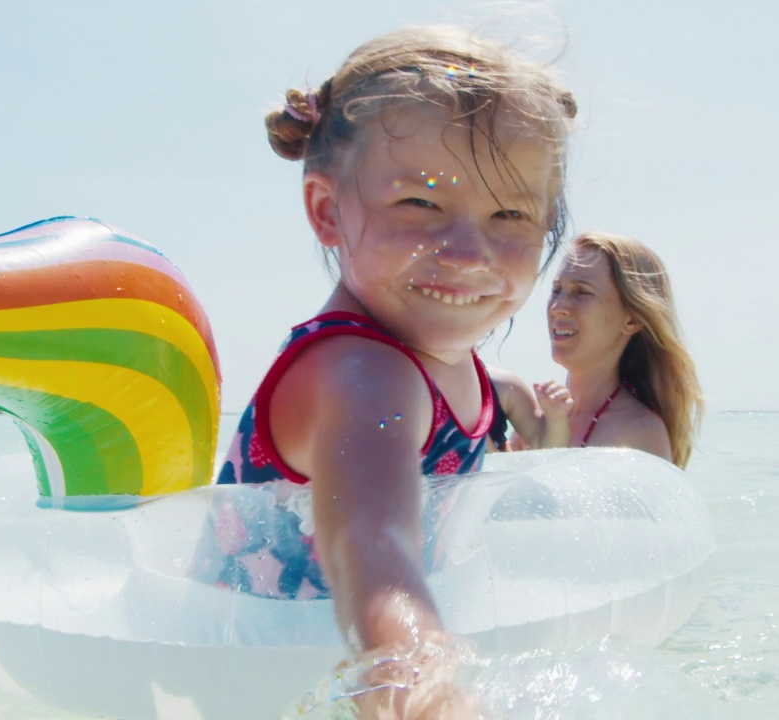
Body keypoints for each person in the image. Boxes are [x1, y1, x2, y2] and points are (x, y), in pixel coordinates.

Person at [213, 25, 577, 717]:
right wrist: (428, 684)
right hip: (258, 674)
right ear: (327, 210)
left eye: (509, 214)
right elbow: (370, 542)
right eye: (422, 204)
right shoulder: (361, 373)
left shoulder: (455, 367)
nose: (468, 251)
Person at [490, 232, 703, 468]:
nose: (558, 307)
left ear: (631, 320)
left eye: (582, 292)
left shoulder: (639, 431)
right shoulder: (539, 420)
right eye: (556, 289)